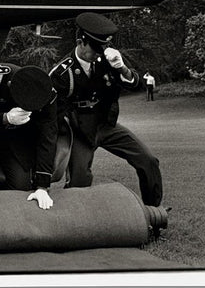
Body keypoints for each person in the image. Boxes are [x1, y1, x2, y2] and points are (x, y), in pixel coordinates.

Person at [49, 12, 163, 208]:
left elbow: (135, 84)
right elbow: (53, 113)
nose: (98, 54)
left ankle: (153, 212)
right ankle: (76, 220)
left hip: (106, 124)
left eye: (102, 49)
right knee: (79, 180)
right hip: (79, 130)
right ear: (80, 42)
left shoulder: (107, 61)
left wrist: (122, 68)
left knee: (148, 161)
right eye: (94, 49)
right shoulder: (62, 73)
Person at [0, 64, 59, 210]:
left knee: (21, 190)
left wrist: (42, 187)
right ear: (10, 85)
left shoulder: (48, 95)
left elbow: (48, 138)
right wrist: (3, 118)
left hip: (19, 142)